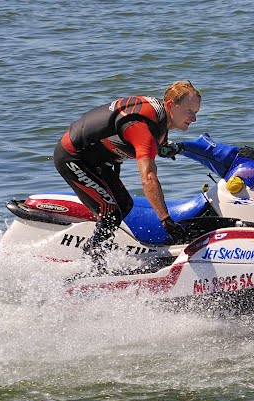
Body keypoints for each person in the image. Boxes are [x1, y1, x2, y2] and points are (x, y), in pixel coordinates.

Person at [53, 80, 202, 272]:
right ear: (171, 105)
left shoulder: (161, 119)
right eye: (190, 111)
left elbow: (156, 143)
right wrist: (166, 221)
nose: (194, 118)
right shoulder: (142, 126)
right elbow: (148, 177)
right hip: (73, 158)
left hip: (98, 161)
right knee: (110, 213)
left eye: (196, 112)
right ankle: (90, 265)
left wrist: (171, 148)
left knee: (125, 204)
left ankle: (99, 250)